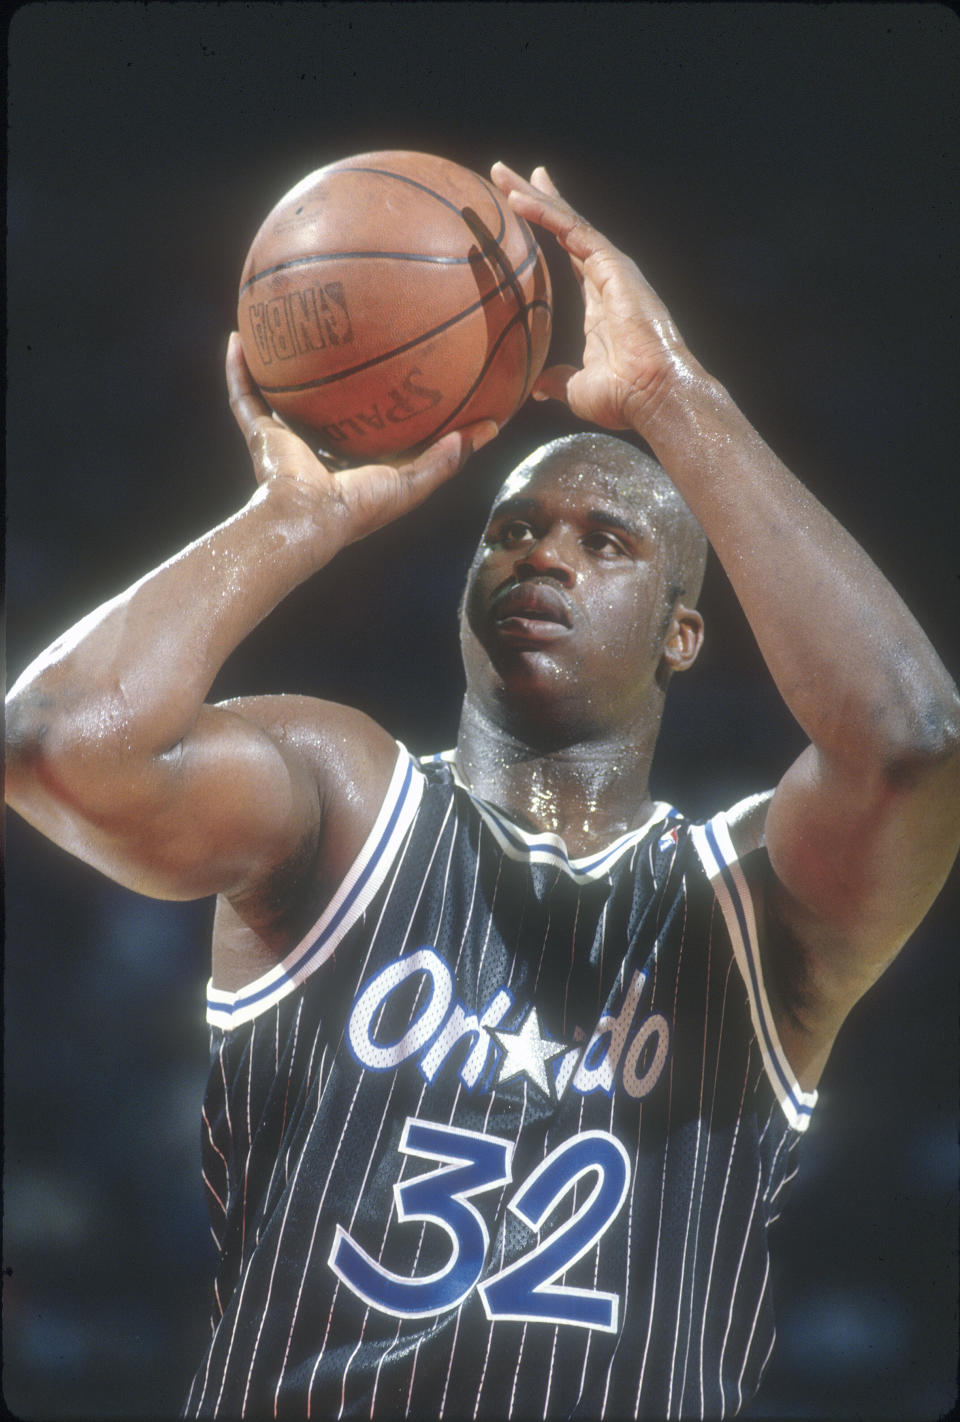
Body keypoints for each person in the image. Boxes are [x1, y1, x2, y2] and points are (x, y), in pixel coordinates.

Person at [6, 161, 958, 1420]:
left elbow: (913, 742)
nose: (541, 555)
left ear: (683, 634)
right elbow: (56, 744)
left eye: (602, 540)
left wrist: (673, 399)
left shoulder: (757, 909)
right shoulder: (346, 803)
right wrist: (292, 517)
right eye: (510, 530)